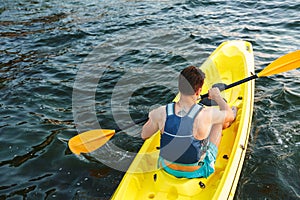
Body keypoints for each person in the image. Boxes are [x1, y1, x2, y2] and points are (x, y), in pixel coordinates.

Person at [141, 66, 236, 178]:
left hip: (166, 167)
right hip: (197, 170)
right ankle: (225, 123)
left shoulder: (160, 112)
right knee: (221, 119)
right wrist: (217, 97)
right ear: (199, 91)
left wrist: (152, 117)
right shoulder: (206, 114)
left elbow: (144, 135)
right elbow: (229, 116)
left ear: (180, 88)